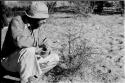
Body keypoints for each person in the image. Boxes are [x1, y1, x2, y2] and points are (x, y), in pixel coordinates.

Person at [1, 2, 60, 83]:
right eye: (42, 18)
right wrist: (39, 44)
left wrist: (47, 47)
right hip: (9, 62)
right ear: (34, 18)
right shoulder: (17, 21)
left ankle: (32, 76)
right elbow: (19, 41)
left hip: (26, 61)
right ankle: (26, 80)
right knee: (29, 50)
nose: (45, 21)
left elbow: (43, 39)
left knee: (54, 58)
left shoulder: (36, 25)